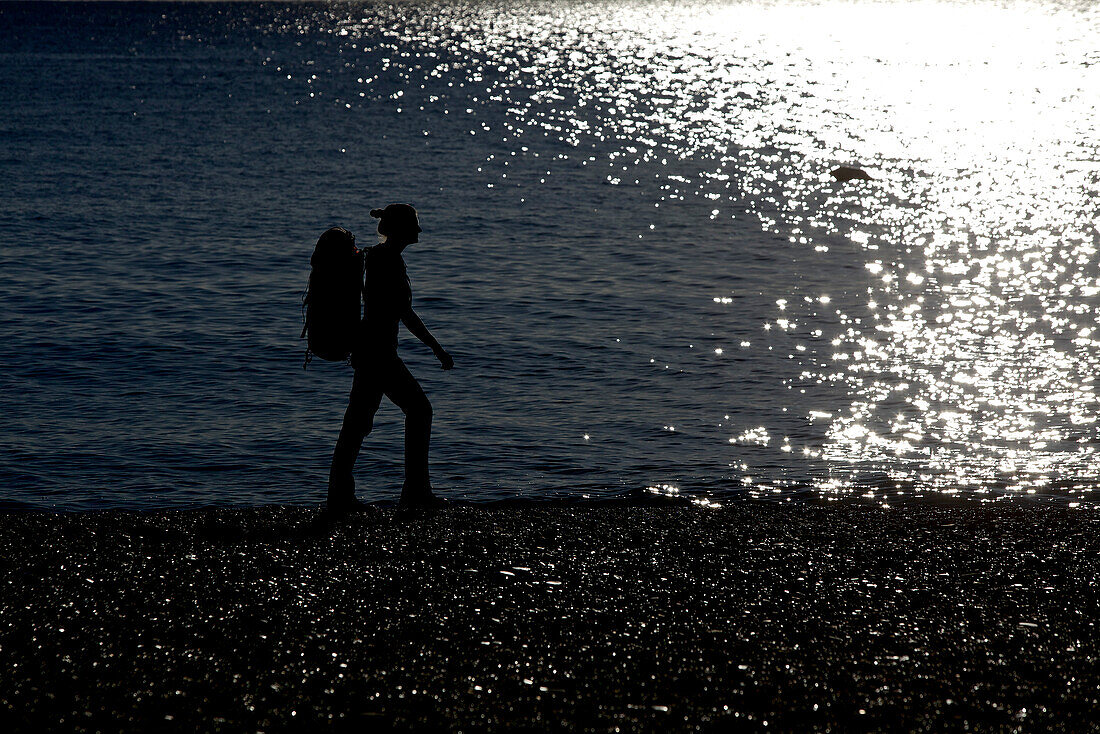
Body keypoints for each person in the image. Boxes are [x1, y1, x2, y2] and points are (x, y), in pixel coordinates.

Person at [328, 204, 453, 511]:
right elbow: (404, 313)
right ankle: (415, 493)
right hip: (379, 354)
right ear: (401, 231)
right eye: (414, 226)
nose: (418, 231)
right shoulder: (388, 262)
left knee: (356, 424)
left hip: (370, 351)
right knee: (419, 410)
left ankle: (340, 498)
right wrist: (436, 347)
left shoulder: (377, 258)